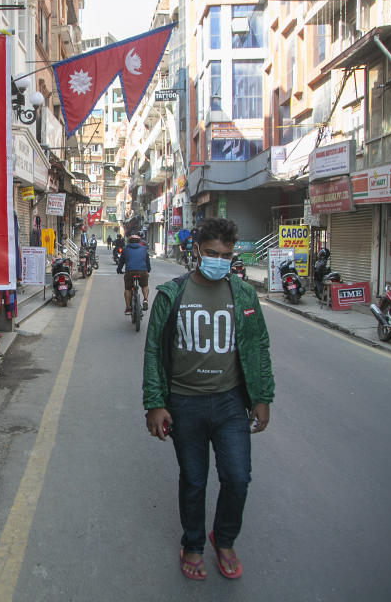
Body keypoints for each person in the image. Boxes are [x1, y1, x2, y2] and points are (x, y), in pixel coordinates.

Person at [141, 217, 274, 581]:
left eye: (226, 254)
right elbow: (154, 351)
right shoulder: (172, 295)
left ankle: (224, 539)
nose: (219, 260)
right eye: (212, 253)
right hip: (184, 403)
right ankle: (194, 544)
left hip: (231, 403)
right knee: (194, 479)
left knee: (238, 478)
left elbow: (258, 346)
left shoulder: (243, 294)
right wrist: (155, 403)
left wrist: (262, 397)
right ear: (197, 250)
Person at [116, 234, 151, 313]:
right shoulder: (144, 249)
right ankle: (145, 299)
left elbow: (121, 262)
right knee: (145, 285)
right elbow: (147, 261)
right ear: (139, 241)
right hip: (142, 271)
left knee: (127, 289)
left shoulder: (125, 249)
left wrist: (119, 270)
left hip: (130, 271)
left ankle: (128, 308)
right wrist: (148, 270)